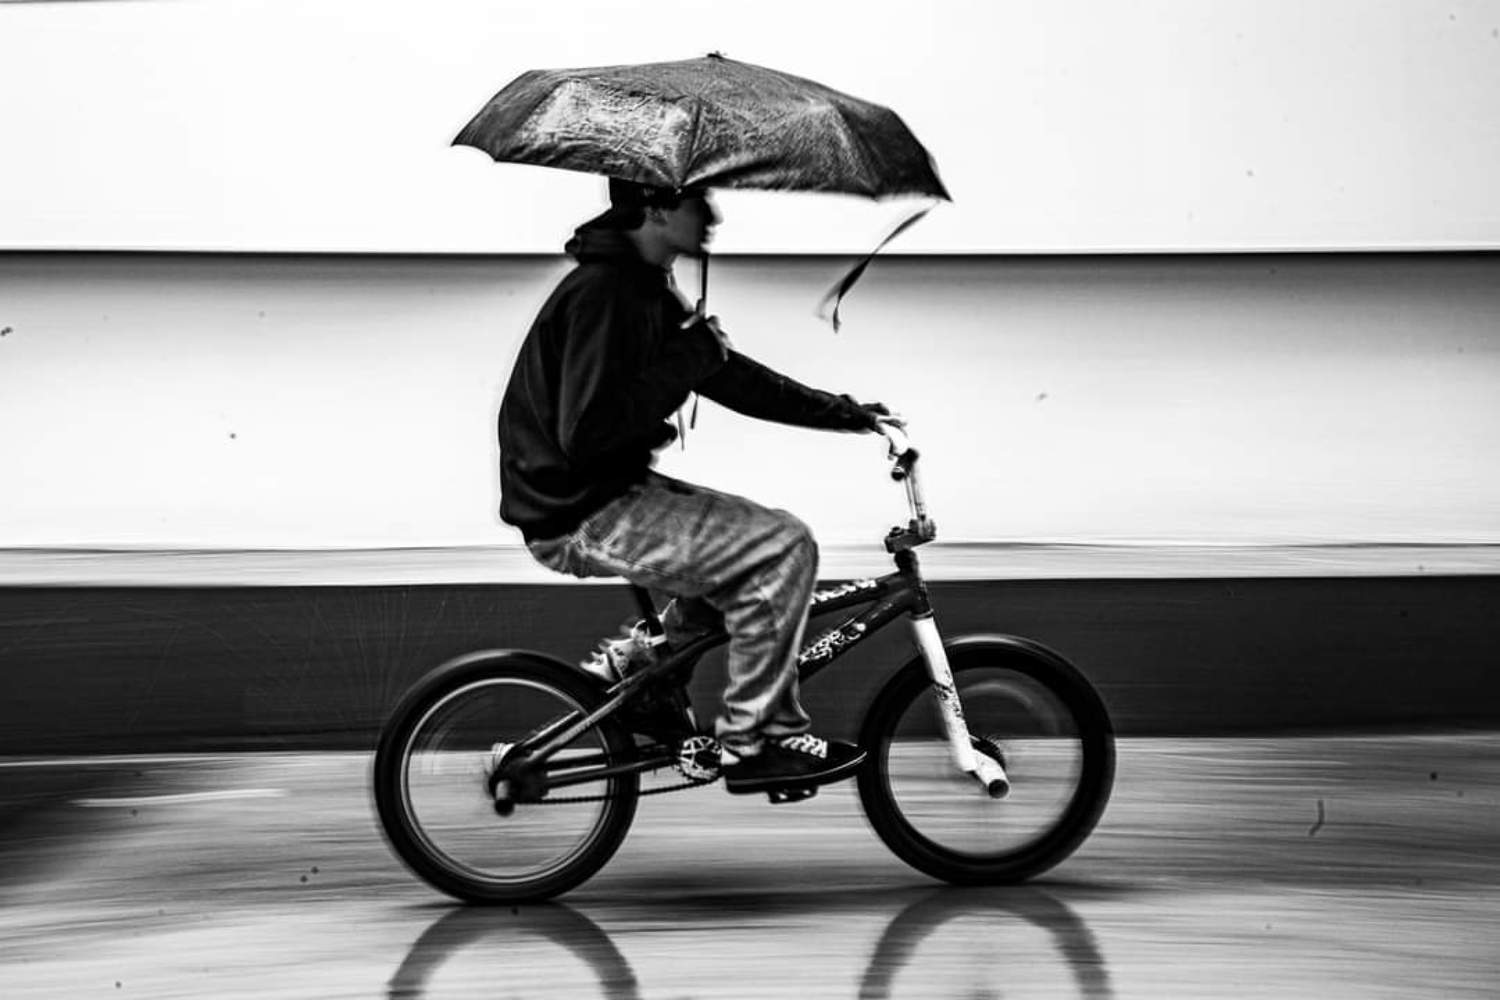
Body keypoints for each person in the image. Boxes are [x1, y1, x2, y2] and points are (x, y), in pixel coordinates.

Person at [497, 178, 900, 795]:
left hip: (603, 493)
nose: (712, 213)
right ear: (656, 208)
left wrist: (845, 412)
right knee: (783, 544)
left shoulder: (641, 287)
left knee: (749, 553)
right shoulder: (607, 292)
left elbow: (732, 378)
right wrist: (689, 357)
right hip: (581, 510)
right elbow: (589, 431)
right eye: (697, 200)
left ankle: (645, 678)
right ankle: (758, 739)